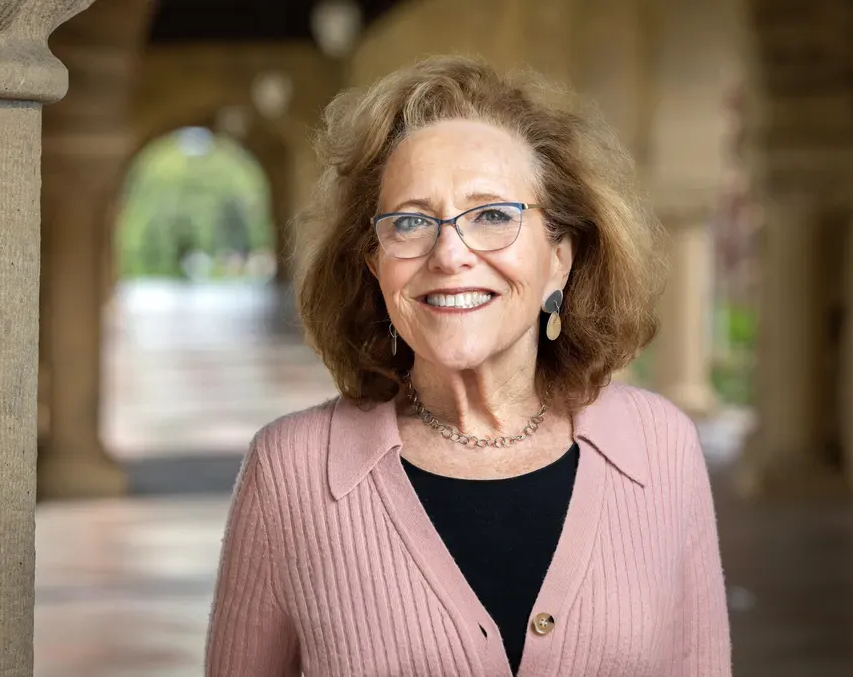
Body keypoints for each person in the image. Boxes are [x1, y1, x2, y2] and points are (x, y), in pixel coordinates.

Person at [206, 55, 731, 677]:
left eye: (492, 216)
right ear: (375, 265)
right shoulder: (290, 472)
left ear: (559, 257)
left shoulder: (660, 447)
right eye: (410, 222)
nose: (450, 253)